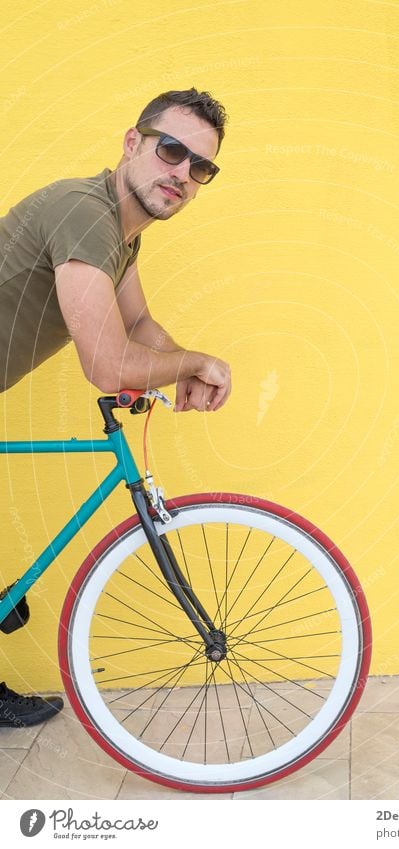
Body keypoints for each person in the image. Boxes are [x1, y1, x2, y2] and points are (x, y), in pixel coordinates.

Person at [0, 88, 231, 727]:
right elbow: (106, 364)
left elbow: (140, 325)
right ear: (132, 143)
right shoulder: (84, 212)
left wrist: (181, 361)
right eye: (171, 150)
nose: (182, 174)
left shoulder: (121, 231)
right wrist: (194, 363)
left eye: (200, 167)